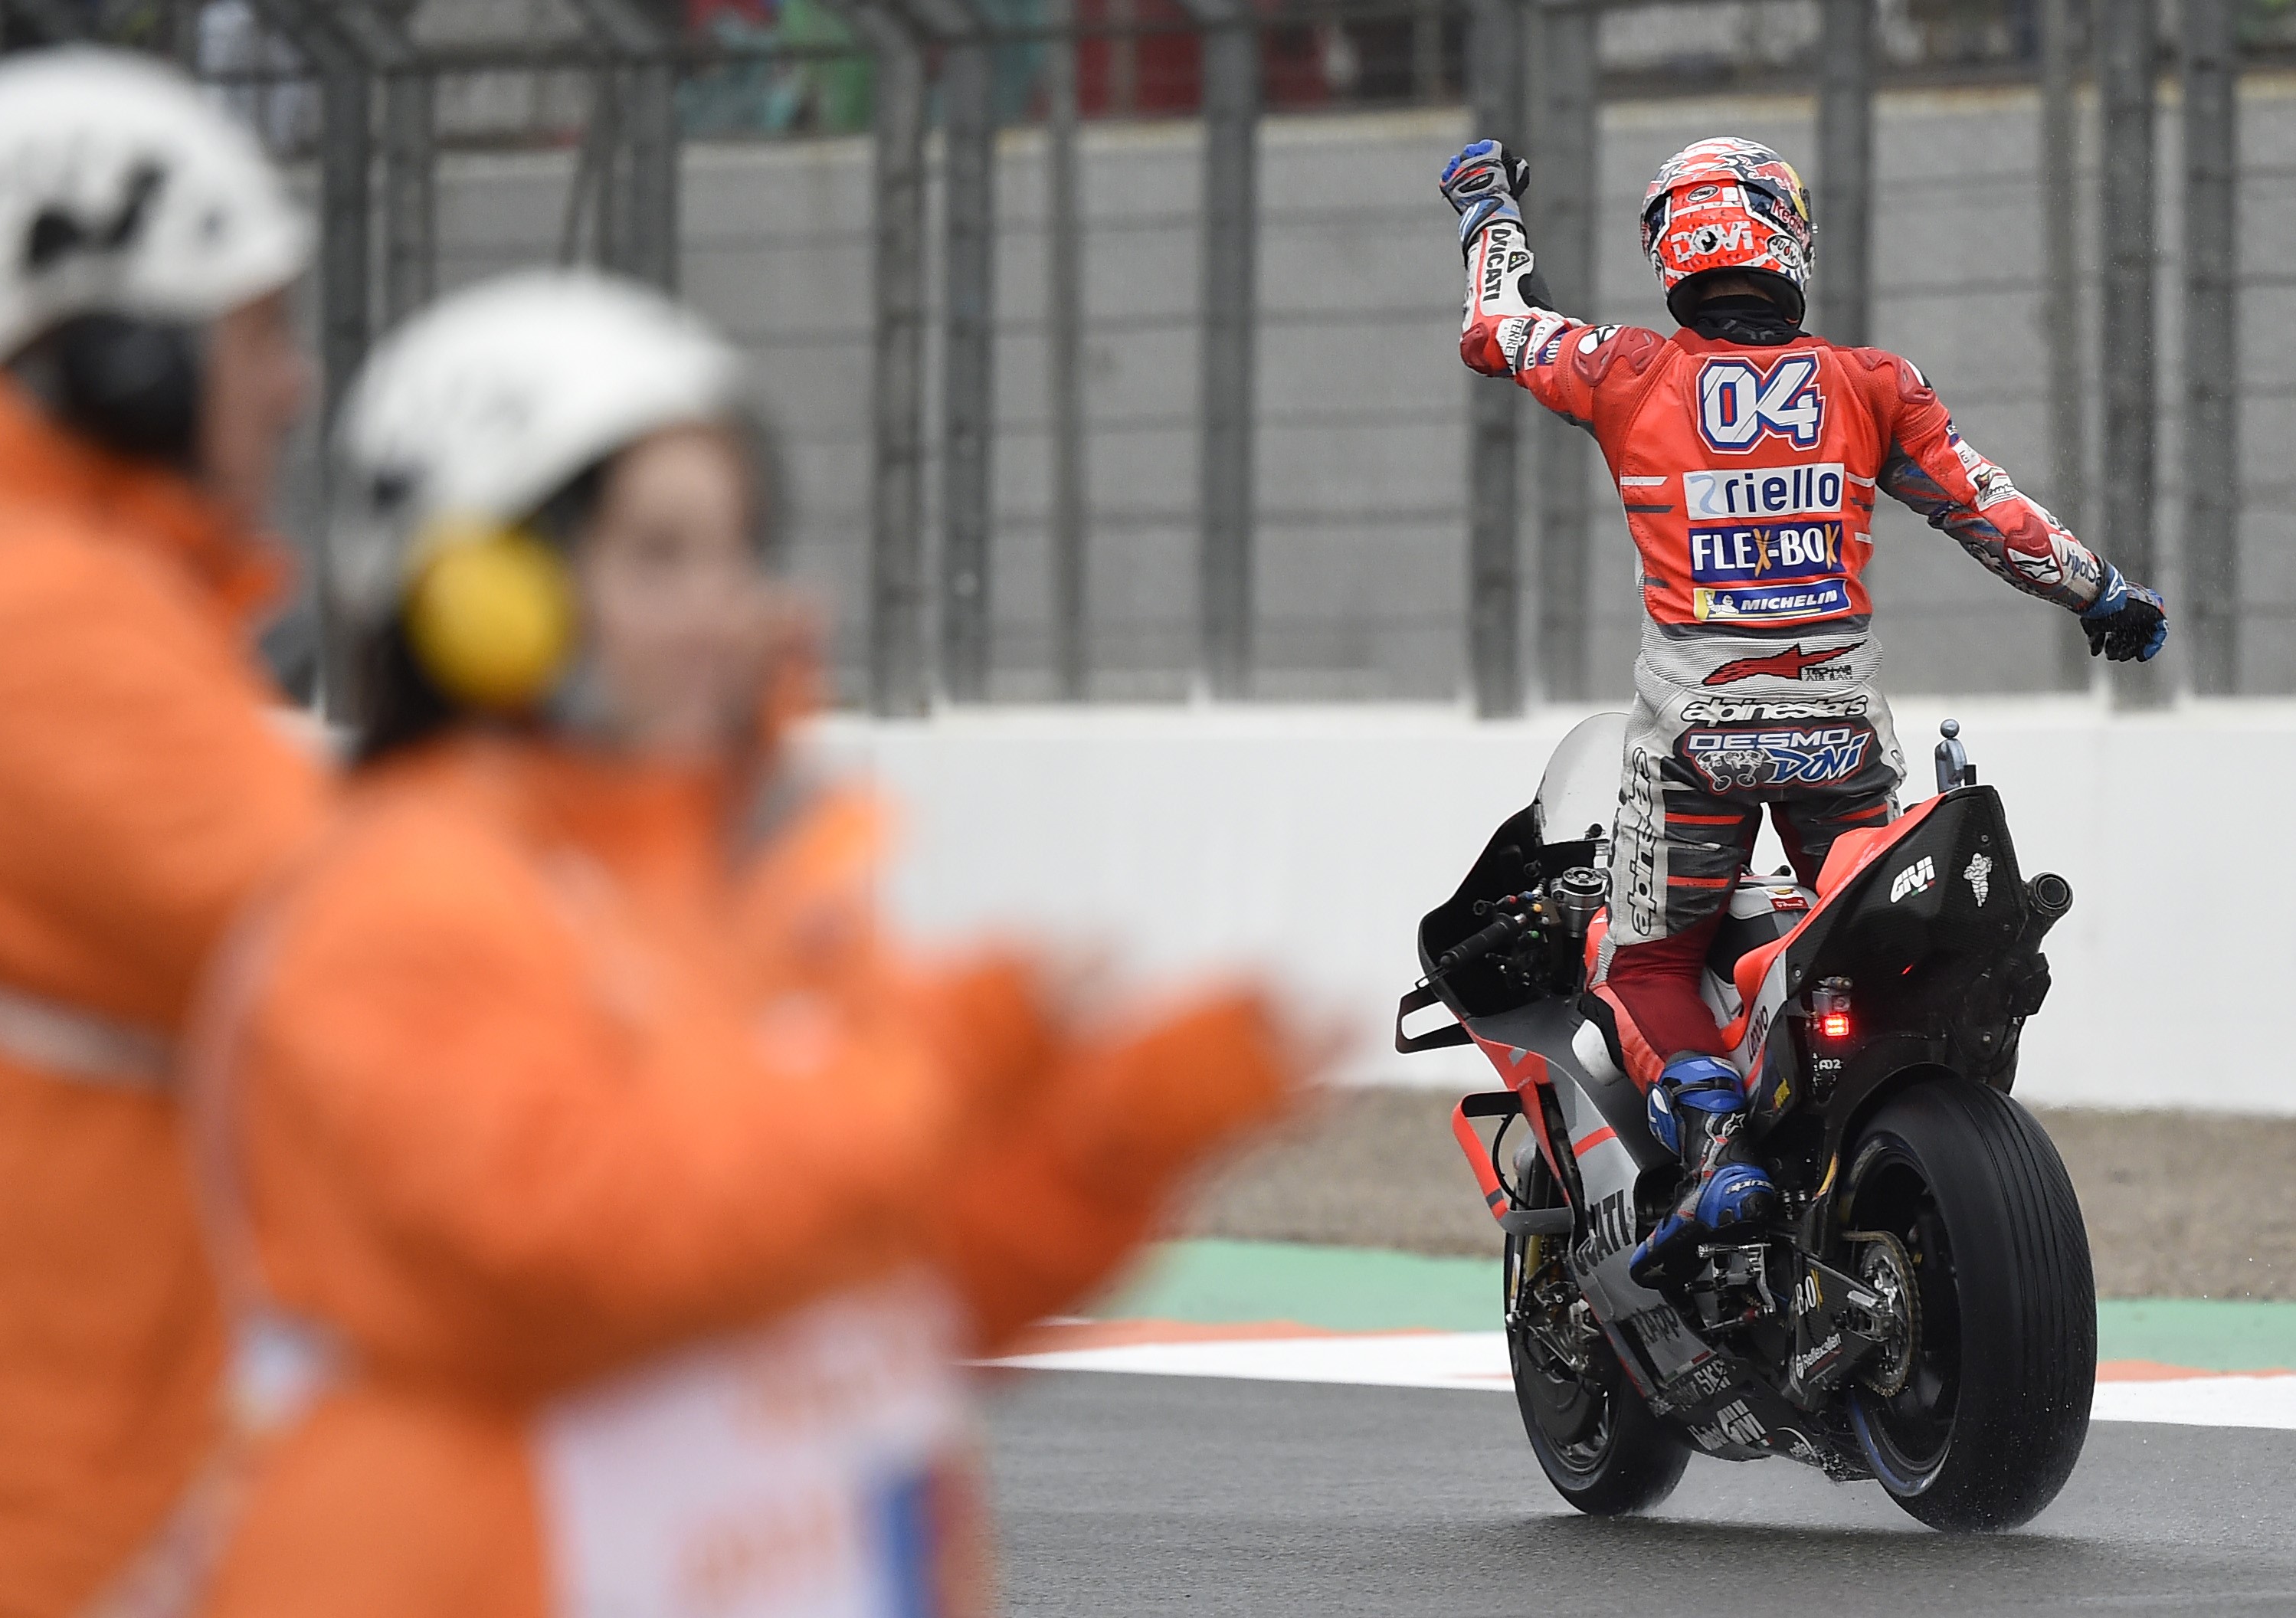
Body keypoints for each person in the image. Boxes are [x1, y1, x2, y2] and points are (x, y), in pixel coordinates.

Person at [189, 270, 1308, 1618]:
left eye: (733, 550)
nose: (727, 605)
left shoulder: (747, 885)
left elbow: (885, 1292)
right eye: (660, 557)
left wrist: (1100, 1147)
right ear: (482, 589)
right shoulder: (396, 904)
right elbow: (577, 1235)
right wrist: (934, 1068)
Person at [1437, 135, 2167, 1284]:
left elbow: (1494, 325)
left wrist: (1487, 210)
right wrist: (2104, 592)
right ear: (1788, 237)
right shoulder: (1875, 386)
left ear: (1669, 249)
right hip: (1842, 741)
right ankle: (1867, 1134)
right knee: (1857, 948)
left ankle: (1719, 1140)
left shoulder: (1621, 371)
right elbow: (1991, 514)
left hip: (1694, 743)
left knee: (1646, 969)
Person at [0, 45, 326, 1617]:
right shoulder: (38, 627)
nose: (293, 386)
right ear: (113, 358)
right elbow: (383, 949)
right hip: (25, 1528)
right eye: (254, 330)